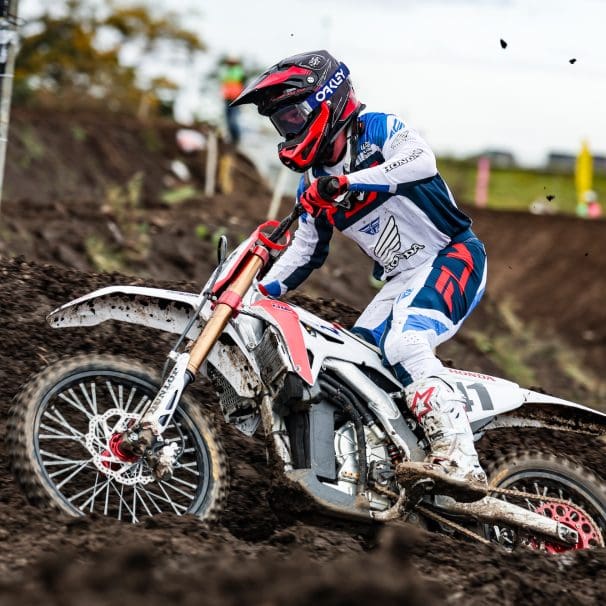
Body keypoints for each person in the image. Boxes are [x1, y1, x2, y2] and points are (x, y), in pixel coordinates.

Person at [231, 50, 487, 486]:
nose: (289, 129)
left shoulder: (380, 130)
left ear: (328, 102)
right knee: (352, 366)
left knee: (406, 342)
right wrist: (258, 293)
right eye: (282, 122)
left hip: (452, 255)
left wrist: (347, 182)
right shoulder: (311, 181)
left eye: (294, 115)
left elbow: (422, 163)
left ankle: (461, 458)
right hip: (403, 278)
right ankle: (387, 460)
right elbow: (306, 251)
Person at [219, 55, 246, 145]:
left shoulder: (238, 71)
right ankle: (231, 139)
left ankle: (236, 139)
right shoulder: (226, 72)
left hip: (235, 99)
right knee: (228, 121)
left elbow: (241, 83)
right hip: (227, 99)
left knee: (232, 121)